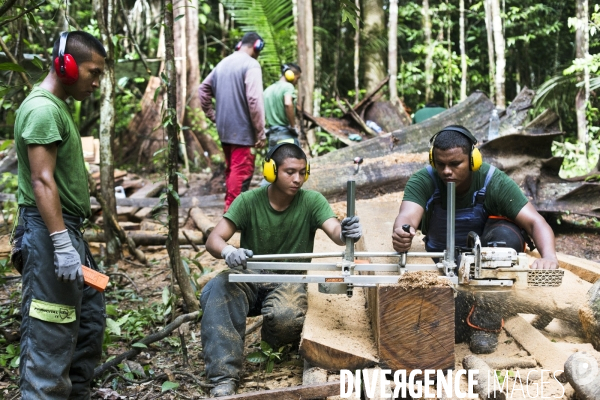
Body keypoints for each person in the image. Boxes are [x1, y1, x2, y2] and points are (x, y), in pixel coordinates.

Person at [202, 143, 362, 397]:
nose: (297, 179)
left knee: (286, 319)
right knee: (218, 289)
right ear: (271, 171)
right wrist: (229, 252)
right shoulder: (249, 201)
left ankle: (271, 343)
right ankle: (223, 378)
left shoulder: (311, 201)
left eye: (302, 172)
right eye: (290, 172)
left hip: (288, 280)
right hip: (251, 278)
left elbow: (334, 231)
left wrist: (345, 232)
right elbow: (214, 239)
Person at [391, 125, 558, 354]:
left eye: (455, 164)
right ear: (433, 160)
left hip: (486, 267)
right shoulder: (424, 181)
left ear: (473, 160)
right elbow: (407, 216)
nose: (446, 171)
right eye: (440, 164)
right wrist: (402, 233)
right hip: (444, 266)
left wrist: (548, 256)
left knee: (506, 237)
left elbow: (535, 222)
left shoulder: (493, 181)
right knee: (452, 331)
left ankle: (485, 325)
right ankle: (472, 313)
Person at [13, 31, 106, 398]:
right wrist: (61, 245)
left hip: (65, 231)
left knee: (87, 323)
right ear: (65, 66)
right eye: (92, 72)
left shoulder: (56, 107)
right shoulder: (43, 109)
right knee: (51, 329)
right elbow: (42, 181)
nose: (96, 82)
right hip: (50, 232)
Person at [199, 32, 267, 212]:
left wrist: (214, 115)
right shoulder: (251, 64)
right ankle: (233, 215)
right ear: (257, 45)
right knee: (241, 170)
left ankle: (230, 211)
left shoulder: (223, 64)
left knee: (232, 170)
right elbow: (254, 100)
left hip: (225, 131)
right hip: (243, 132)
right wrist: (260, 132)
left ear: (240, 44)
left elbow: (203, 90)